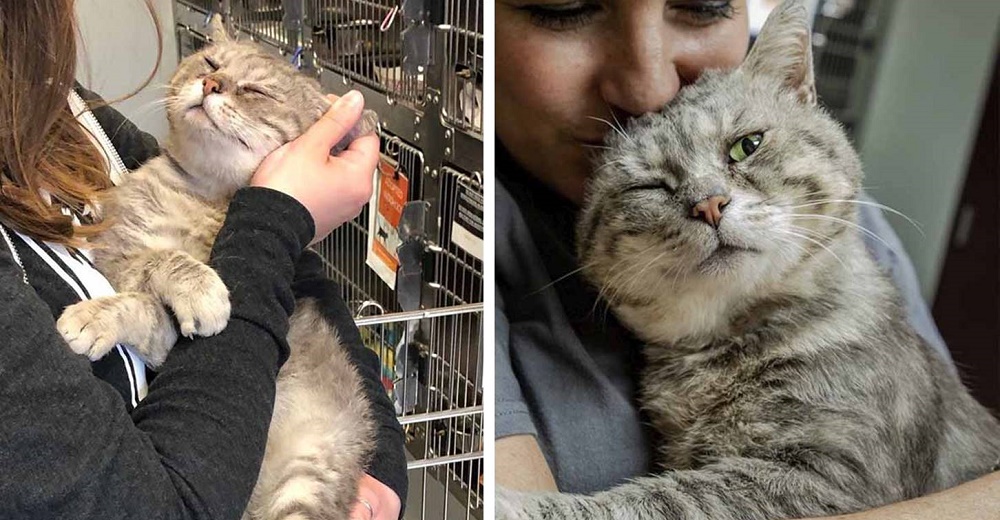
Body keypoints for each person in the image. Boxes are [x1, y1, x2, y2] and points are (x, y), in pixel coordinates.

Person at [494, 0, 999, 516]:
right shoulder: (476, 233)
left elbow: (825, 491)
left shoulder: (853, 242)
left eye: (746, 146)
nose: (708, 204)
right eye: (563, 9)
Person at [0, 2, 405, 519]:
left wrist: (383, 464)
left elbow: (299, 286)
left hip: (299, 435)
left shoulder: (74, 115)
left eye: (252, 92)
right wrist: (277, 218)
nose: (214, 87)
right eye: (209, 69)